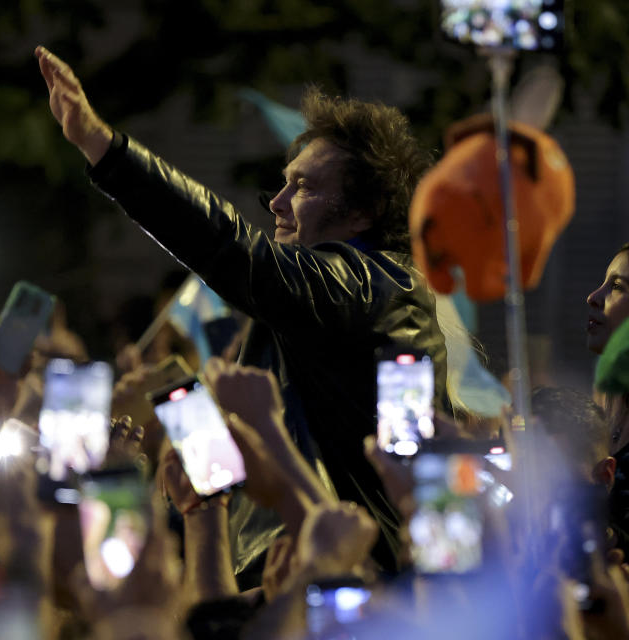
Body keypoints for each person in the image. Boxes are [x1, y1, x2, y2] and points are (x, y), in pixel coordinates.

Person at [36, 46, 449, 587]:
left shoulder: (375, 284)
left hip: (341, 589)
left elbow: (233, 250)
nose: (276, 203)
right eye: (282, 182)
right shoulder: (314, 310)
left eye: (302, 186)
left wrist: (104, 148)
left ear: (362, 212)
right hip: (286, 581)